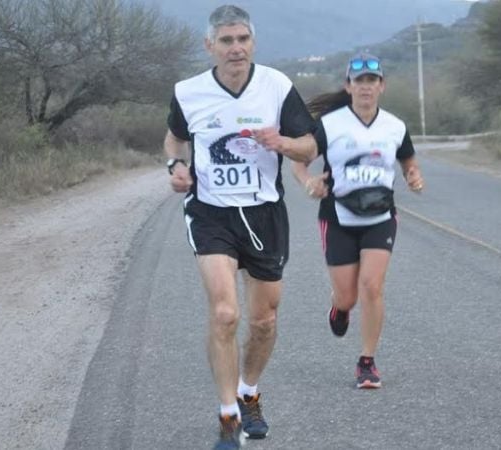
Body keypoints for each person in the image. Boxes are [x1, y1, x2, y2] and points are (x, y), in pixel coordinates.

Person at [163, 5, 316, 449]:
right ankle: (228, 414)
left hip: (264, 213)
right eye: (226, 41)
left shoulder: (276, 87)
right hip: (211, 212)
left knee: (264, 321)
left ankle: (249, 392)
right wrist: (176, 164)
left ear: (253, 42)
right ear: (209, 46)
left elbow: (308, 147)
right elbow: (175, 136)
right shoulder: (188, 92)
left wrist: (283, 141)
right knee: (226, 314)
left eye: (243, 39)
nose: (236, 49)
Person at [292, 53, 424, 389]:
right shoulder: (330, 125)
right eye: (359, 81)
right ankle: (339, 309)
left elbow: (408, 159)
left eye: (372, 81)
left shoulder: (395, 126)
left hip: (380, 216)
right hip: (338, 217)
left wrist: (412, 175)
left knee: (372, 287)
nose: (365, 87)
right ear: (348, 86)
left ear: (382, 86)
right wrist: (309, 183)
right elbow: (299, 161)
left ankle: (367, 362)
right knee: (348, 297)